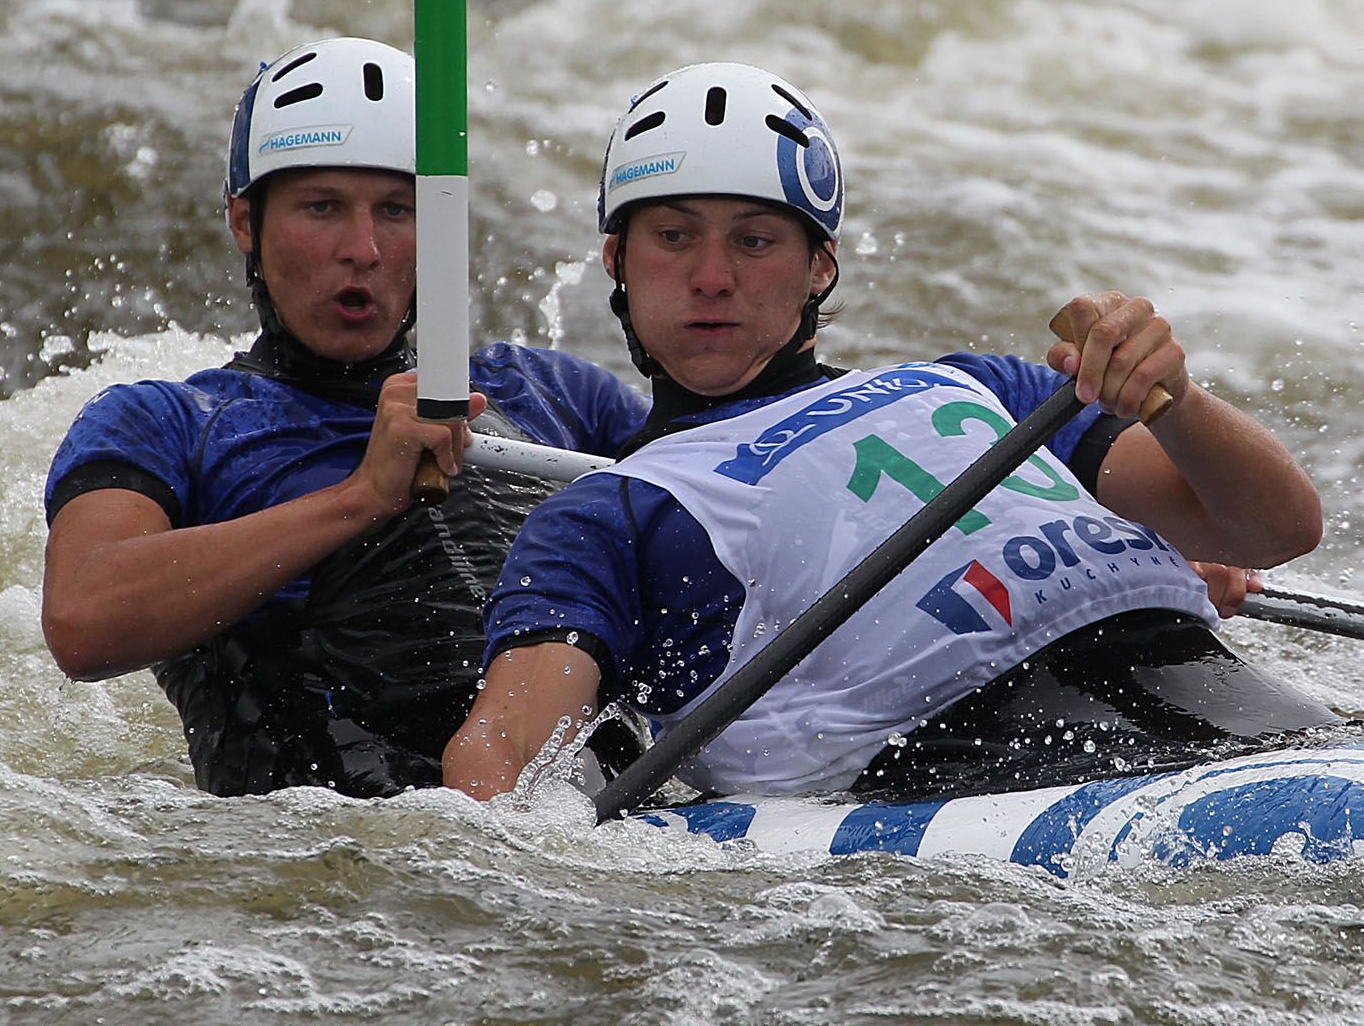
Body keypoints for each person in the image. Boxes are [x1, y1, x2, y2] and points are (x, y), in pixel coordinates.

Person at [444, 62, 1336, 803]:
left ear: (819, 266)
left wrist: (1170, 395)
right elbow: (508, 758)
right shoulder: (607, 513)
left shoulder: (985, 384)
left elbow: (1276, 529)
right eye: (673, 236)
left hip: (1249, 711)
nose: (710, 276)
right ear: (617, 263)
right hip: (1002, 780)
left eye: (755, 242)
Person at [41, 37, 649, 798]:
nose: (362, 249)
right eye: (321, 207)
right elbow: (82, 620)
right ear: (244, 221)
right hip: (345, 853)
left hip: (603, 820)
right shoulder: (166, 422)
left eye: (397, 210)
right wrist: (362, 495)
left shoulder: (549, 392)